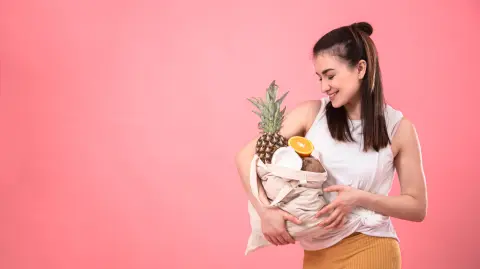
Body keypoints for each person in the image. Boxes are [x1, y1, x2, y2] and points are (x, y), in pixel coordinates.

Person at [235, 21, 427, 269]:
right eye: (319, 77)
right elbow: (245, 156)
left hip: (369, 246)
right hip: (317, 254)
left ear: (360, 68)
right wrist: (265, 212)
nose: (324, 86)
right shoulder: (311, 114)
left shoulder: (398, 129)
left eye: (330, 75)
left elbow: (416, 206)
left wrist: (359, 198)